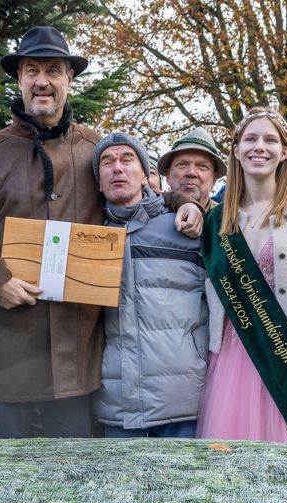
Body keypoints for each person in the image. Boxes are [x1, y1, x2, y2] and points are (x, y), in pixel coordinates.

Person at [0, 26, 104, 439]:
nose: (43, 81)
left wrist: (182, 204)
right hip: (5, 353)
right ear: (20, 78)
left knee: (71, 488)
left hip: (77, 354)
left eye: (54, 70)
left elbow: (137, 200)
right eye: (32, 70)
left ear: (69, 79)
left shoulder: (97, 149)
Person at [196, 107, 287, 444]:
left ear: (285, 152)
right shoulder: (217, 220)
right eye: (250, 139)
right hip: (231, 363)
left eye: (270, 140)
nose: (259, 147)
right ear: (236, 150)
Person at [92, 132, 207, 437]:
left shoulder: (186, 227)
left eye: (127, 159)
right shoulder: (89, 237)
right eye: (107, 162)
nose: (118, 168)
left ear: (145, 174)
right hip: (117, 408)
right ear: (98, 180)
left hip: (184, 403)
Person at [160, 127, 225, 209]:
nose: (191, 172)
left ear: (214, 179)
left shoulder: (228, 219)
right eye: (182, 165)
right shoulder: (148, 216)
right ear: (168, 175)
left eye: (202, 166)